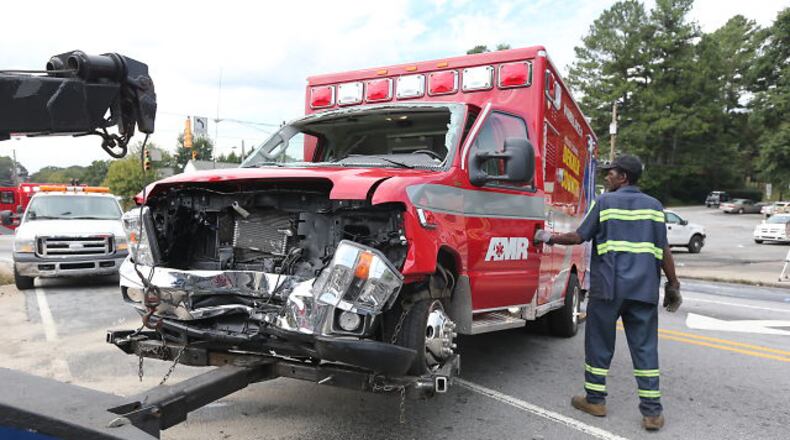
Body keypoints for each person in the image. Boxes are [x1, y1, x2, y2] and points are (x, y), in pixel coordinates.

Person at [534, 154, 682, 431]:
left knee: (600, 345)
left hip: (609, 288)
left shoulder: (605, 203)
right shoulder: (654, 207)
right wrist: (673, 285)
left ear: (623, 176)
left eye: (610, 173)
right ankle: (652, 412)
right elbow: (664, 250)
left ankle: (595, 400)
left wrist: (547, 237)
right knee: (645, 348)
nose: (607, 177)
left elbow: (579, 237)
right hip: (643, 290)